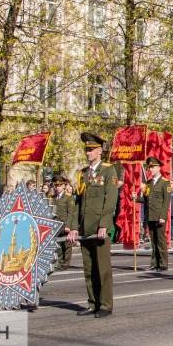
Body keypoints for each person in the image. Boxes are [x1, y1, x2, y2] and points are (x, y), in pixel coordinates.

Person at [70, 132, 119, 318]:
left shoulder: (108, 171)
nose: (87, 153)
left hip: (100, 227)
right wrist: (74, 226)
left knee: (103, 268)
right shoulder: (83, 174)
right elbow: (77, 203)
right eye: (86, 150)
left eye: (91, 150)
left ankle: (105, 305)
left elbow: (111, 200)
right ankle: (92, 302)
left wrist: (104, 224)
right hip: (85, 227)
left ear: (99, 151)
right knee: (89, 268)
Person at [139, 156, 170, 273]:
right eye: (149, 167)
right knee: (153, 241)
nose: (150, 169)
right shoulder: (149, 183)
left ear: (158, 168)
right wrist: (136, 198)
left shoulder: (165, 183)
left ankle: (163, 264)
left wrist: (163, 216)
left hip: (159, 216)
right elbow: (146, 200)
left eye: (153, 167)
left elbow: (166, 202)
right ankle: (154, 263)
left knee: (160, 241)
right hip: (150, 215)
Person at [49, 174, 77, 271]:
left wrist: (68, 226)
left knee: (67, 245)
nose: (57, 187)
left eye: (60, 185)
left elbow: (71, 213)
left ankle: (66, 263)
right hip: (57, 225)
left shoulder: (68, 198)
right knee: (59, 245)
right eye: (56, 186)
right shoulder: (53, 198)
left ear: (64, 185)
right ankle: (60, 262)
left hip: (65, 224)